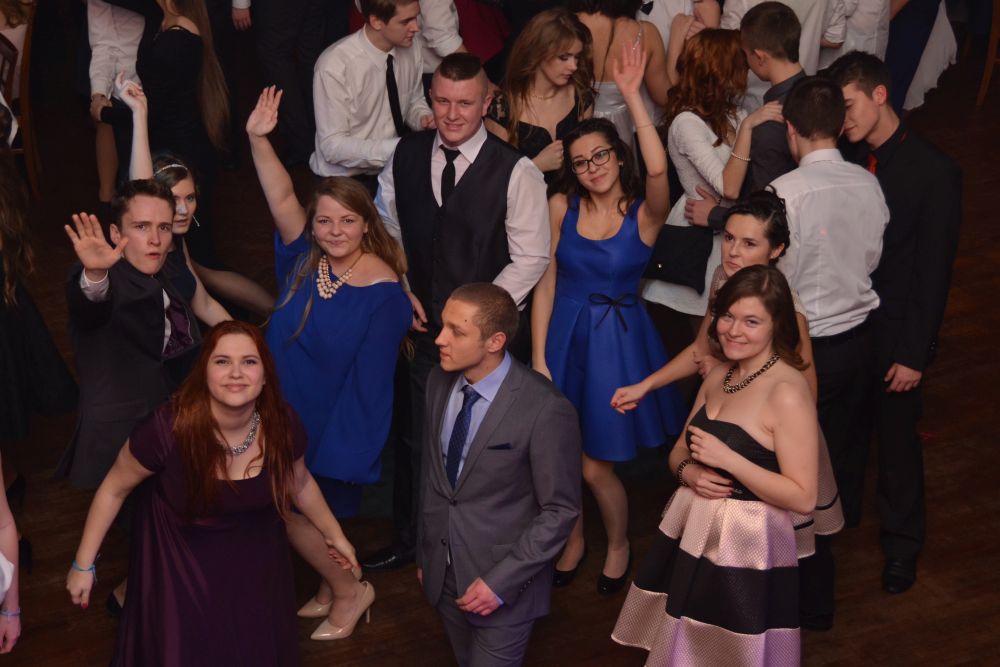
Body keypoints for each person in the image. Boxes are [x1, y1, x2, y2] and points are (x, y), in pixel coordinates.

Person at [65, 321, 362, 664]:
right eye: (222, 361)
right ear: (203, 373)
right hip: (180, 565)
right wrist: (83, 564)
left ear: (265, 376)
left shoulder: (281, 423)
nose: (236, 373)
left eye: (249, 361)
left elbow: (299, 482)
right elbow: (114, 490)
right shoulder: (167, 430)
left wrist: (334, 534)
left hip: (256, 563)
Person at [614, 189, 844, 629]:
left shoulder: (787, 310)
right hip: (729, 412)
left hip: (776, 437)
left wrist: (750, 414)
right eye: (730, 238)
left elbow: (804, 395)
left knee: (800, 551)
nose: (734, 251)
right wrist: (648, 385)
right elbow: (702, 348)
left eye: (750, 243)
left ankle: (800, 622)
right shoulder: (725, 280)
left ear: (776, 251)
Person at [365, 52, 549, 572]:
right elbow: (387, 227)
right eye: (442, 101)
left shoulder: (517, 171)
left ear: (487, 102)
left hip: (487, 341)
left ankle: (473, 550)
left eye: (465, 103)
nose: (451, 114)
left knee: (482, 445)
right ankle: (411, 541)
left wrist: (478, 318)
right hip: (422, 330)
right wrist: (401, 286)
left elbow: (532, 258)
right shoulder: (405, 154)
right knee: (416, 438)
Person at [246, 86, 411, 633]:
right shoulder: (303, 259)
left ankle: (349, 592)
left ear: (367, 224)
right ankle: (328, 585)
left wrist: (346, 453)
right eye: (324, 221)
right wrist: (258, 139)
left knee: (302, 514)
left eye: (347, 222)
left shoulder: (384, 294)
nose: (334, 232)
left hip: (332, 428)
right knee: (298, 515)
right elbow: (280, 195)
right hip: (279, 411)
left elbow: (371, 386)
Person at [532, 44, 685, 595]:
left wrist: (632, 96)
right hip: (564, 336)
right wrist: (538, 356)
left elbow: (660, 167)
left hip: (615, 344)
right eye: (580, 162)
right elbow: (546, 283)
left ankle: (618, 544)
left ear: (619, 158)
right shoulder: (560, 208)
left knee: (596, 465)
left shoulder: (644, 214)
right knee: (560, 457)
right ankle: (573, 538)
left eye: (601, 156)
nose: (592, 167)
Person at [612, 264, 819, 666]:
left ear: (776, 324)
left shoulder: (787, 393)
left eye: (751, 321)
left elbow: (804, 496)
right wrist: (688, 472)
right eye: (727, 316)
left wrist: (730, 460)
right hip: (692, 531)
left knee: (728, 654)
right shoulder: (719, 374)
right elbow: (679, 451)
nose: (733, 331)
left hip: (746, 548)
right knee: (680, 650)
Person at [828, 50, 961, 594]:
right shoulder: (845, 159)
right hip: (846, 327)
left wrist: (914, 353)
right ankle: (839, 522)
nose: (843, 120)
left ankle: (902, 547)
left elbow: (933, 272)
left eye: (849, 106)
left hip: (896, 333)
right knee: (843, 431)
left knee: (898, 445)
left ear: (879, 95)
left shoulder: (934, 172)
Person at [771, 76, 889, 617]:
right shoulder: (869, 183)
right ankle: (822, 591)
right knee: (840, 458)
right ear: (841, 126)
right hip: (861, 342)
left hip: (806, 352)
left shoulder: (783, 192)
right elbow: (871, 260)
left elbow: (776, 282)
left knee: (796, 473)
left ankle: (799, 595)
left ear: (790, 130)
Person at [417, 283, 581, 667]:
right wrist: (426, 554)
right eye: (443, 325)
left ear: (495, 341)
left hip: (504, 583)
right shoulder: (438, 381)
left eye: (457, 331)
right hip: (443, 571)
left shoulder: (545, 408)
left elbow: (560, 510)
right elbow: (431, 475)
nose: (440, 339)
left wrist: (500, 582)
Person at [641, 28, 782, 381]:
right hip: (698, 239)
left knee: (735, 336)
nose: (747, 69)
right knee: (705, 346)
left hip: (725, 227)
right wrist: (748, 128)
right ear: (721, 69)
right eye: (740, 62)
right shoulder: (686, 123)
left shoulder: (736, 112)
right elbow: (728, 186)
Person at [56, 180, 202, 490]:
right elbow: (90, 306)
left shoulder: (160, 270)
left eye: (163, 228)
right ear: (115, 234)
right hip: (120, 436)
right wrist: (95, 275)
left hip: (164, 423)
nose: (155, 239)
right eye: (141, 227)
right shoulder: (106, 278)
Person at [116, 74, 274, 318]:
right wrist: (139, 113)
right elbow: (142, 190)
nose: (184, 210)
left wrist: (239, 334)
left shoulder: (177, 243)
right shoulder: (143, 246)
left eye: (190, 198)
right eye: (173, 200)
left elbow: (204, 304)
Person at [102, 0, 230, 267]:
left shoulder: (177, 40)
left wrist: (102, 113)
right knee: (186, 257)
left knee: (200, 258)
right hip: (172, 146)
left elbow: (154, 112)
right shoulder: (161, 17)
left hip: (184, 156)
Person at [686, 1, 805, 231]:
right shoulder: (816, 91)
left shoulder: (770, 123)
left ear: (760, 57)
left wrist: (716, 215)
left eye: (745, 53)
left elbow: (765, 215)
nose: (746, 64)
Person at [310, 0, 434, 191]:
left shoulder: (411, 46)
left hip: (391, 169)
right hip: (343, 182)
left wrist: (423, 118)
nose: (416, 28)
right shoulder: (334, 65)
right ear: (376, 21)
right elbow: (332, 147)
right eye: (405, 21)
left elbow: (413, 101)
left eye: (416, 17)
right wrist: (400, 148)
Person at [485, 7, 595, 186]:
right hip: (526, 201)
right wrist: (536, 165)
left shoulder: (581, 97)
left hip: (574, 199)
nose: (574, 66)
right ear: (539, 52)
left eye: (576, 57)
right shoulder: (503, 108)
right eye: (564, 57)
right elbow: (494, 182)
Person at [570, 0, 670, 158]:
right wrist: (676, 43)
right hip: (622, 126)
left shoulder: (568, 24)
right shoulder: (645, 32)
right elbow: (664, 97)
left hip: (576, 123)